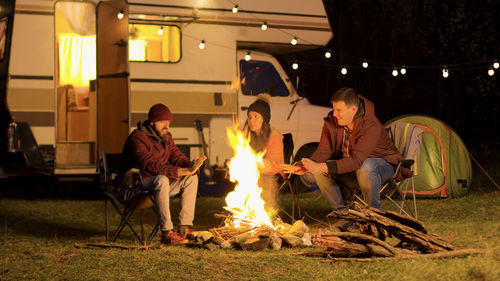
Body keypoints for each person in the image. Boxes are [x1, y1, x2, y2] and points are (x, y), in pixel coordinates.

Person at [282, 87, 411, 213]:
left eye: (339, 110)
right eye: (334, 109)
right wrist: (309, 166)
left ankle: (374, 214)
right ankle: (343, 213)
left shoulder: (371, 125)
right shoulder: (332, 122)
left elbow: (356, 161)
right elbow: (324, 150)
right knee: (321, 172)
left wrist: (321, 166)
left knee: (366, 165)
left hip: (384, 169)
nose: (334, 114)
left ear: (353, 109)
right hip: (355, 171)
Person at [121, 103, 206, 244]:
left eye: (168, 122)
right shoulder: (137, 138)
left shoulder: (166, 137)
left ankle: (184, 228)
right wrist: (182, 171)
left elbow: (176, 157)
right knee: (162, 179)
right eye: (162, 122)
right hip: (134, 187)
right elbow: (151, 166)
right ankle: (167, 233)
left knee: (192, 178)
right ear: (152, 121)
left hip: (156, 188)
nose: (167, 125)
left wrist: (191, 165)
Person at [243, 94, 284, 214]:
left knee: (266, 179)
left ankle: (267, 214)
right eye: (250, 117)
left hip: (274, 171)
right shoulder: (246, 135)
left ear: (264, 118)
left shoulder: (274, 136)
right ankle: (246, 213)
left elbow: (275, 164)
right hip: (255, 170)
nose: (251, 120)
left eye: (256, 117)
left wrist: (254, 163)